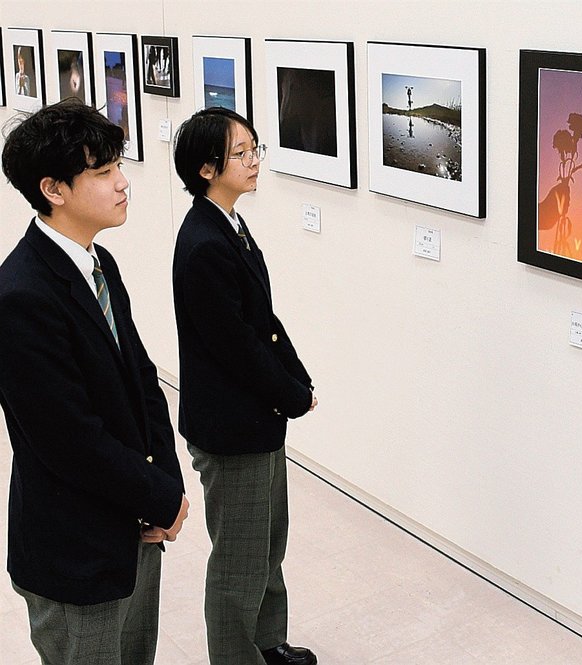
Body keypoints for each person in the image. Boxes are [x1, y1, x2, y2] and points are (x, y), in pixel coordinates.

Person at [0, 99, 189, 664]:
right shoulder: (21, 296)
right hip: (74, 545)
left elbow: (143, 381)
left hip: (133, 523)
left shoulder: (100, 263)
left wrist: (166, 488)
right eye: (104, 172)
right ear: (54, 189)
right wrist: (156, 495)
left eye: (118, 167)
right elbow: (68, 439)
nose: (123, 183)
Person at [171, 107, 318, 665]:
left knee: (268, 542)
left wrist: (296, 381)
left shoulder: (228, 223)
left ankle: (267, 643)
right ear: (207, 168)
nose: (254, 162)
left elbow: (264, 321)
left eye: (255, 149)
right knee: (240, 558)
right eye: (242, 153)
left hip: (257, 418)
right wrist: (290, 393)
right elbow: (237, 348)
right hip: (233, 427)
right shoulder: (203, 242)